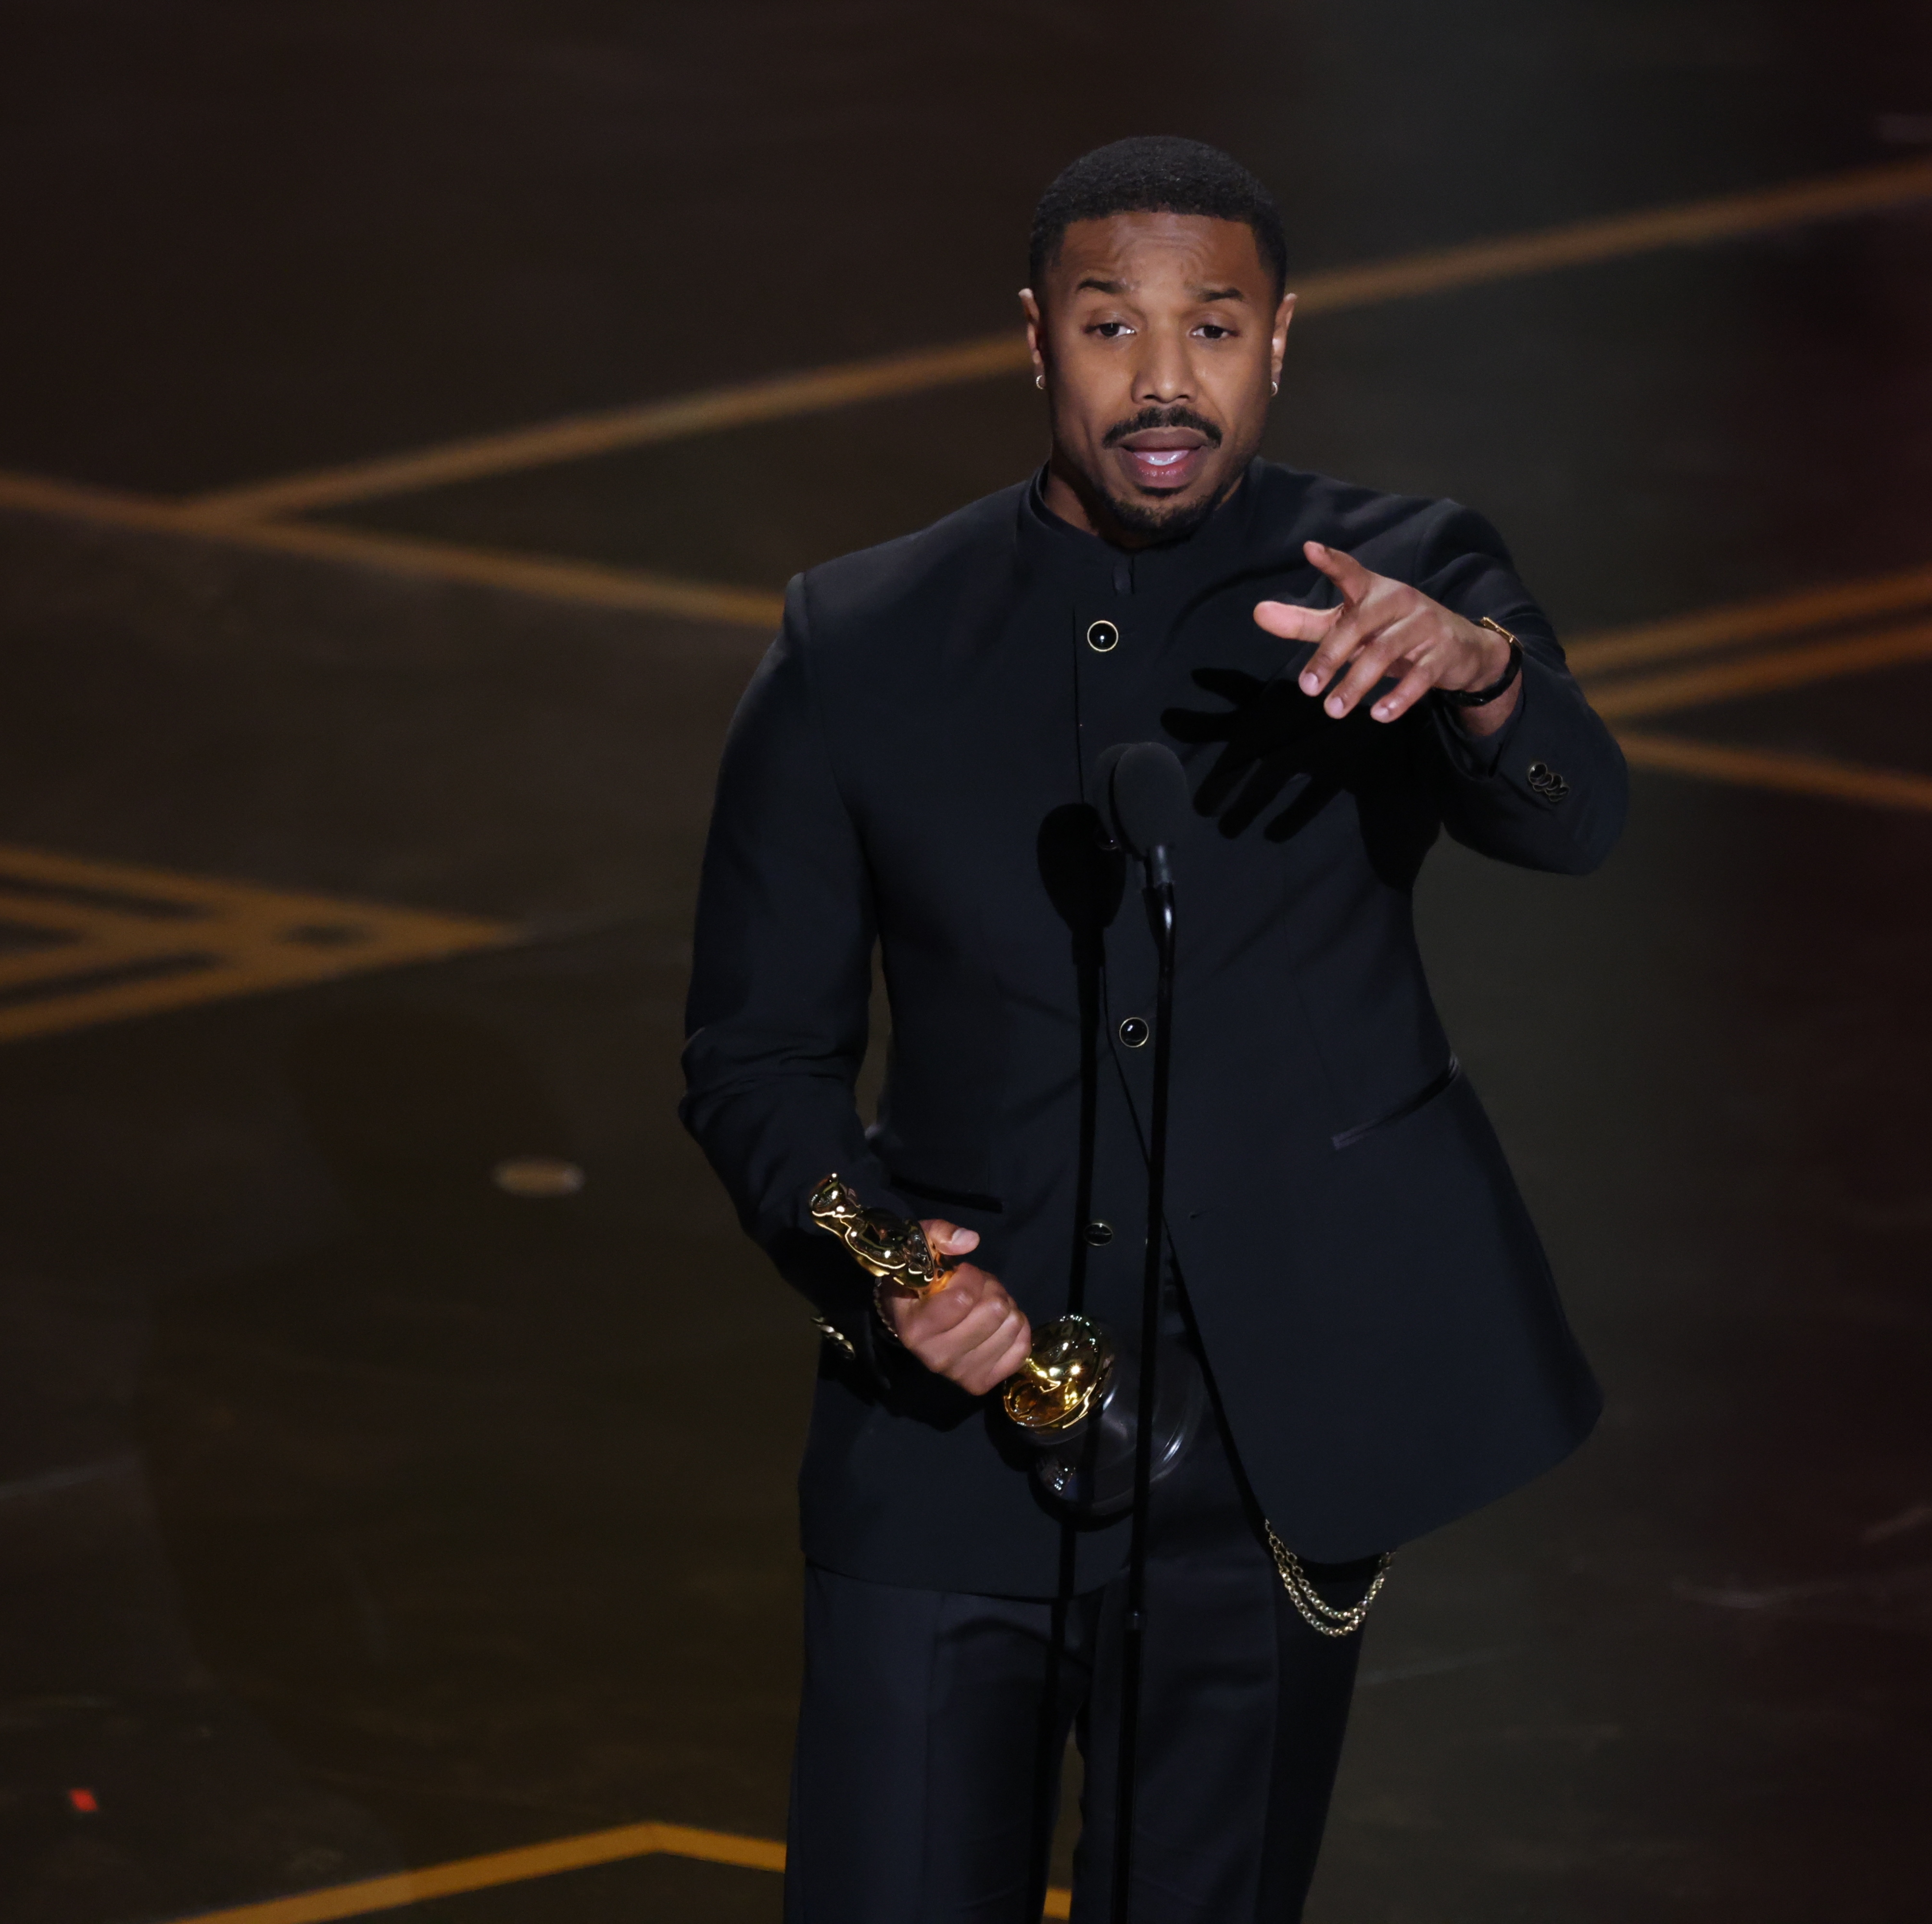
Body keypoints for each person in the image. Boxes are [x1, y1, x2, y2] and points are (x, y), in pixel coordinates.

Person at [682, 135, 1628, 1924]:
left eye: (1214, 326)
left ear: (1284, 341)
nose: (1164, 380)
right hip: (949, 1434)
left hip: (1271, 1448)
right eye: (1115, 328)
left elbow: (1573, 819)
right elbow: (754, 1060)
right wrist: (889, 1271)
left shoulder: (1405, 588)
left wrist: (1487, 677)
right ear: (1036, 342)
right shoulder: (859, 642)